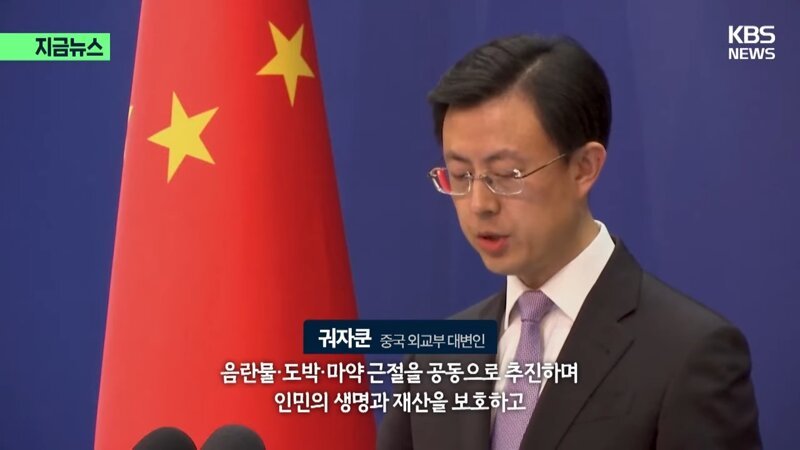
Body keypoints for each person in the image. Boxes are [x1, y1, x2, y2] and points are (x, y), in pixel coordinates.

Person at [376, 34, 761, 450]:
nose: (480, 204)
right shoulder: (434, 358)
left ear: (584, 167)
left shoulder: (688, 353)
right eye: (460, 175)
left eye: (506, 175)